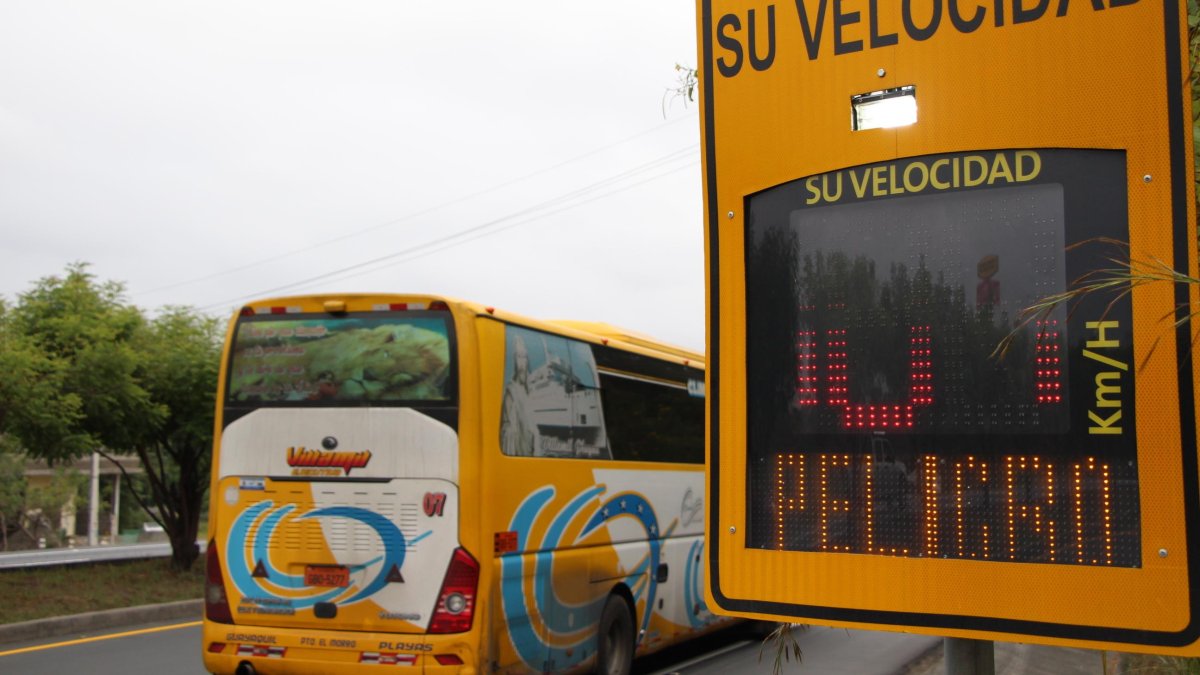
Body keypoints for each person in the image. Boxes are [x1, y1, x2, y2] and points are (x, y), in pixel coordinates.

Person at [500, 335, 539, 456]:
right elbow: (508, 429)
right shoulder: (510, 392)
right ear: (514, 361)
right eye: (519, 357)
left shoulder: (528, 391)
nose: (522, 362)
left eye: (524, 357)